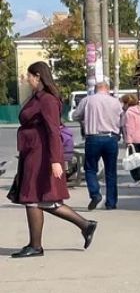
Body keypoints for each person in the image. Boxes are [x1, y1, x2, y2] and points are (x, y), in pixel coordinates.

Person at [7, 62, 97, 257]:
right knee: (41, 199)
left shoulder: (47, 100)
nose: (26, 79)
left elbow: (53, 132)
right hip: (32, 153)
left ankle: (36, 246)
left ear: (38, 76)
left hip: (41, 155)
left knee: (33, 198)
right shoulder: (37, 98)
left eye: (29, 75)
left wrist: (56, 161)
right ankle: (85, 225)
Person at [72, 80, 123, 210]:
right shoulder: (115, 102)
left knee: (90, 169)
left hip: (93, 138)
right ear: (108, 89)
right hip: (111, 138)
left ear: (96, 89)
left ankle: (95, 194)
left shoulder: (88, 100)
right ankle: (111, 203)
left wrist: (85, 119)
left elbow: (75, 115)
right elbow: (121, 119)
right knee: (111, 171)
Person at [121, 94, 140, 184]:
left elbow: (130, 128)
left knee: (133, 161)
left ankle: (137, 179)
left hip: (134, 140)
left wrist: (128, 141)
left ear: (126, 103)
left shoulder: (129, 113)